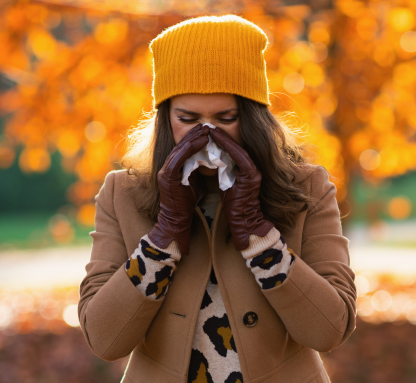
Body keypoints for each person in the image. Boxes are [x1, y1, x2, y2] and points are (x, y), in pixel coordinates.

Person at [78, 15, 357, 383]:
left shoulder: (308, 187)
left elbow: (329, 331)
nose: (206, 135)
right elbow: (103, 339)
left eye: (226, 117)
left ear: (254, 118)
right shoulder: (122, 194)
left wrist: (260, 237)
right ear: (165, 118)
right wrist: (163, 237)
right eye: (188, 118)